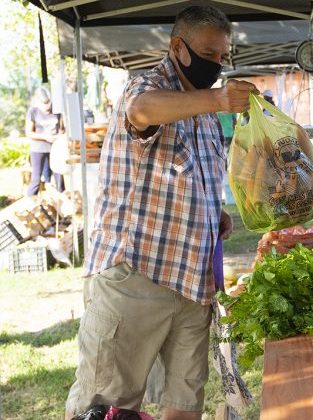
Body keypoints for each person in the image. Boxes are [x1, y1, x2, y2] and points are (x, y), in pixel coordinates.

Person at [65, 6, 258, 420]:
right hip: (136, 277)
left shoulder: (205, 114)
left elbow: (193, 174)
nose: (217, 63)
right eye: (210, 52)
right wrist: (218, 98)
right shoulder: (148, 86)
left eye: (224, 56)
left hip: (193, 284)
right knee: (108, 404)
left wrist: (214, 214)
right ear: (178, 48)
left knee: (185, 402)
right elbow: (141, 111)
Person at [25, 87, 65, 196]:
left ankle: (62, 205)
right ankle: (31, 202)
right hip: (38, 149)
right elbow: (29, 132)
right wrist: (44, 137)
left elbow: (62, 129)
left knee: (59, 177)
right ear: (38, 102)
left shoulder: (56, 111)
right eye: (44, 103)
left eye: (49, 103)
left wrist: (59, 136)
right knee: (36, 179)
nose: (47, 106)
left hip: (55, 148)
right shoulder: (33, 112)